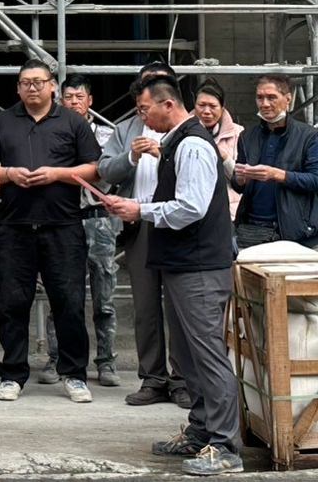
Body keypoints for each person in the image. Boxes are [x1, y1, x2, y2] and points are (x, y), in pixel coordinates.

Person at [105, 77, 243, 476]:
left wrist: (140, 211)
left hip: (200, 267)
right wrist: (134, 205)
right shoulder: (176, 143)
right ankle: (201, 431)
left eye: (145, 109)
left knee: (207, 355)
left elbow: (191, 208)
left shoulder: (193, 145)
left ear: (168, 105)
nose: (142, 118)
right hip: (182, 264)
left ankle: (225, 446)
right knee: (188, 355)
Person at [0, 60, 101, 404]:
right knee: (12, 304)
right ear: (18, 88)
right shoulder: (3, 122)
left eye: (39, 82)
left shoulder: (73, 122)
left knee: (69, 303)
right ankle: (13, 373)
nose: (32, 88)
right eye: (25, 83)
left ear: (52, 86)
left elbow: (95, 169)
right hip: (14, 227)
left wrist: (57, 174)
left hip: (63, 227)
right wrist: (9, 174)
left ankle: (74, 374)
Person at [98, 61, 191, 409]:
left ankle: (182, 379)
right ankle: (153, 378)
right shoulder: (126, 129)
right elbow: (105, 169)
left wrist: (162, 153)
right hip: (140, 224)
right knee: (145, 306)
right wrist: (131, 157)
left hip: (178, 225)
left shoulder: (187, 129)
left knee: (180, 306)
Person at [39, 74, 122, 388]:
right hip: (62, 219)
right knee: (61, 293)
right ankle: (57, 358)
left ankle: (107, 361)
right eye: (68, 97)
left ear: (90, 101)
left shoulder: (107, 135)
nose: (73, 102)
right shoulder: (50, 131)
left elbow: (109, 173)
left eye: (79, 97)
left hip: (98, 219)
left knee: (104, 296)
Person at [232, 74, 318, 248]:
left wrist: (279, 175)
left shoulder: (309, 136)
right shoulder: (247, 136)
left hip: (295, 231)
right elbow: (238, 185)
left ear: (288, 99)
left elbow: (315, 180)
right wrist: (240, 179)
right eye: (260, 97)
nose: (264, 104)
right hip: (251, 229)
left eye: (271, 97)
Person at [193, 80, 243, 221]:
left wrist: (225, 158)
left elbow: (242, 178)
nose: (206, 111)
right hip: (194, 212)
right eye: (201, 105)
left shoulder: (238, 133)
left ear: (222, 107)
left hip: (228, 214)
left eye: (213, 106)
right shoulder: (182, 131)